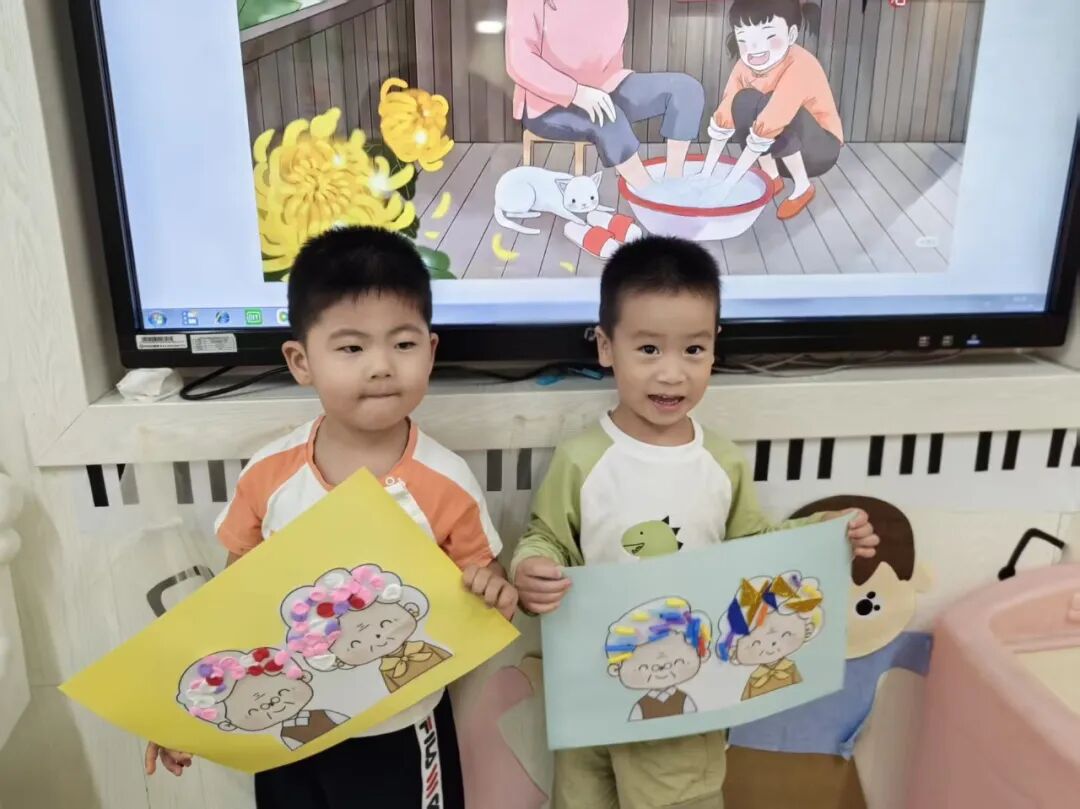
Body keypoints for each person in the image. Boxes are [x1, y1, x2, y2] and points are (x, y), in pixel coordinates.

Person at [144, 226, 517, 809]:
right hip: (286, 724)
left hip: (401, 724)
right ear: (301, 361)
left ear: (431, 350)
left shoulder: (447, 481)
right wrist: (185, 716)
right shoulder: (269, 475)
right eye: (351, 348)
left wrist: (494, 589)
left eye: (403, 343)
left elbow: (483, 585)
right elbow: (232, 605)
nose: (381, 366)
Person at [510, 236, 879, 809]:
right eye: (648, 349)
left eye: (693, 350)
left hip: (687, 693)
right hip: (590, 692)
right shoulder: (582, 458)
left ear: (714, 348)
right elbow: (548, 538)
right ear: (606, 347)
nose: (672, 374)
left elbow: (754, 550)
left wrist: (827, 530)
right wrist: (531, 567)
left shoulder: (721, 462)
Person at [505, 0, 705, 191]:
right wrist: (577, 92)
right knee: (609, 118)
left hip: (609, 84)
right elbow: (519, 61)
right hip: (548, 101)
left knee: (687, 90)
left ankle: (674, 183)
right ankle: (652, 195)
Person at [701, 0, 841, 221]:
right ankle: (772, 176)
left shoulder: (801, 64)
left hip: (819, 151)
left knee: (773, 108)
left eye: (767, 36)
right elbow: (725, 115)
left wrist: (728, 184)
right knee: (743, 101)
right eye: (744, 39)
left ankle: (802, 187)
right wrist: (705, 174)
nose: (755, 48)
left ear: (791, 34)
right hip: (779, 152)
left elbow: (774, 118)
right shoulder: (744, 67)